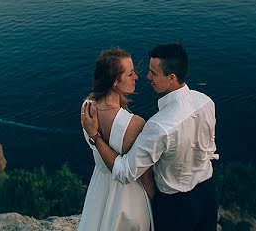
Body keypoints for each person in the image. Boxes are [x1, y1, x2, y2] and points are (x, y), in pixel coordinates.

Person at [82, 43, 219, 231]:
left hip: (176, 205)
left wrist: (95, 136)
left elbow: (124, 172)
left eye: (153, 73)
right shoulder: (205, 102)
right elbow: (209, 148)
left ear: (171, 77)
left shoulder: (158, 126)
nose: (146, 77)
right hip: (208, 194)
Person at [78, 48, 155, 231]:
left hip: (99, 189)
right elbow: (146, 178)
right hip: (128, 198)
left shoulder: (87, 107)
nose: (136, 76)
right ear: (114, 82)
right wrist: (154, 200)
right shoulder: (135, 124)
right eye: (130, 74)